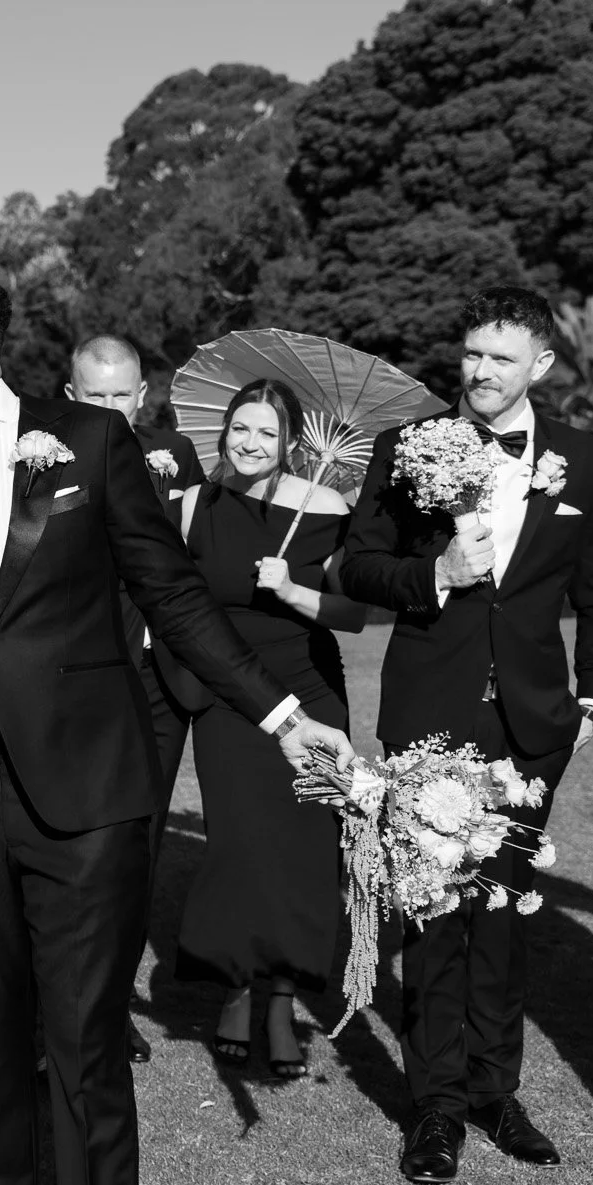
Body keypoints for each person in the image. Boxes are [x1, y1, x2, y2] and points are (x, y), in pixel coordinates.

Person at [0, 257, 355, 1185]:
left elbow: (171, 594)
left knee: (83, 1043)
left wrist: (282, 713)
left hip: (85, 794)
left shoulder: (87, 440)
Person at [342, 286, 593, 1185]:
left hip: (535, 721)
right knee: (434, 910)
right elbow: (353, 563)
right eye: (471, 353)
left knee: (504, 912)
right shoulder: (407, 445)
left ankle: (493, 1090)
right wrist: (435, 572)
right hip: (433, 712)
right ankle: (433, 1106)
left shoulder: (581, 457)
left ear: (541, 364)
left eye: (501, 358)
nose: (479, 372)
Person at [172, 378, 362, 1080]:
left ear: (290, 443)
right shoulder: (193, 505)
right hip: (231, 698)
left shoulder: (328, 505)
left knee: (303, 851)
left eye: (266, 433)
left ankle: (281, 998)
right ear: (222, 431)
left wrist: (292, 589)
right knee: (241, 846)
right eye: (239, 429)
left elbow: (355, 613)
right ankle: (235, 985)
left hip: (311, 687)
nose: (250, 443)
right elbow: (172, 604)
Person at [66, 333, 204, 1065]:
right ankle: (63, 1000)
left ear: (144, 394)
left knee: (141, 844)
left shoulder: (176, 456)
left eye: (124, 395)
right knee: (84, 842)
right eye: (97, 396)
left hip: (164, 679)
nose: (113, 410)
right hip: (91, 673)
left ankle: (111, 1004)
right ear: (72, 396)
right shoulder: (48, 458)